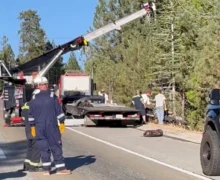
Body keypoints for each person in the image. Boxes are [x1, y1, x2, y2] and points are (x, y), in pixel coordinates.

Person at [28, 76, 71, 175]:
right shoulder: (52, 96)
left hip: (39, 127)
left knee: (43, 147)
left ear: (38, 86)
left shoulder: (34, 98)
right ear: (46, 85)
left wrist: (32, 127)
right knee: (56, 145)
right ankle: (60, 169)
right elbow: (59, 111)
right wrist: (62, 123)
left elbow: (30, 115)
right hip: (51, 126)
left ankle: (47, 169)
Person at [21, 94, 42, 172]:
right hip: (35, 129)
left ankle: (27, 165)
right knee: (37, 148)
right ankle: (33, 167)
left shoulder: (26, 104)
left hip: (28, 129)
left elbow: (23, 117)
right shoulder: (37, 105)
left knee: (30, 148)